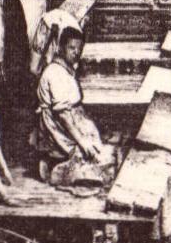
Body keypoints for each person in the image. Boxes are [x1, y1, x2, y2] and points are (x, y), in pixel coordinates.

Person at [35, 19, 115, 188]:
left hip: (72, 119)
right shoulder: (55, 72)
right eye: (72, 48)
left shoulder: (67, 70)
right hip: (58, 125)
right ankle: (57, 167)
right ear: (61, 48)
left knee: (104, 151)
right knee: (92, 157)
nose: (76, 52)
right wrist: (82, 141)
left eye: (79, 49)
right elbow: (63, 114)